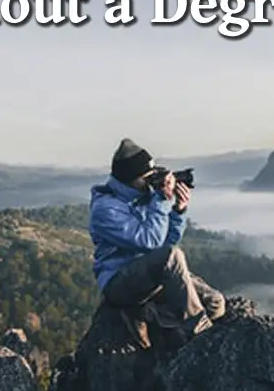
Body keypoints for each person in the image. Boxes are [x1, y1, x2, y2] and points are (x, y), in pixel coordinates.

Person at [88, 138, 226, 349]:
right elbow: (151, 243)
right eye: (147, 178)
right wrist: (161, 200)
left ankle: (151, 315)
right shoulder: (106, 209)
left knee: (216, 303)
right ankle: (198, 331)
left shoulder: (145, 196)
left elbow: (166, 244)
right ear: (129, 178)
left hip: (151, 277)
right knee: (173, 256)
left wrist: (178, 211)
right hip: (119, 282)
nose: (151, 182)